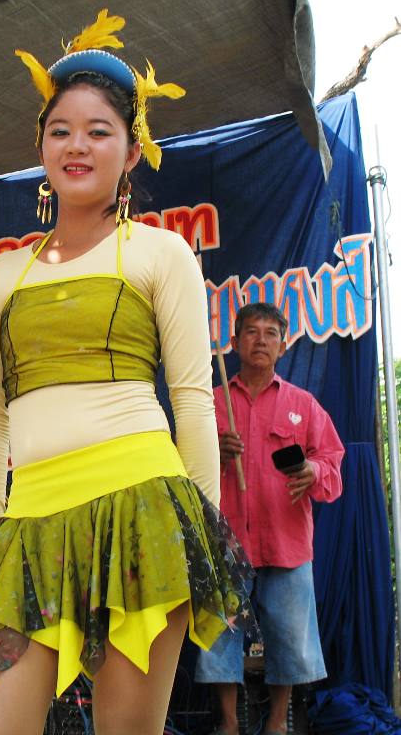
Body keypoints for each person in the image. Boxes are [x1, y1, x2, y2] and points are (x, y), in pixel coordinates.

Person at [0, 10, 253, 735]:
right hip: (27, 524)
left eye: (97, 130)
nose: (76, 145)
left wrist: (197, 539)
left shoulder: (160, 253)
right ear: (41, 147)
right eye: (60, 130)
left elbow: (190, 400)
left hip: (142, 513)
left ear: (131, 150)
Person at [196, 302, 343, 735]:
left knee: (289, 640)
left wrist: (311, 471)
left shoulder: (304, 405)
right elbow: (179, 464)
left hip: (286, 541)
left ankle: (278, 723)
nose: (261, 340)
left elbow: (332, 462)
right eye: (251, 332)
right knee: (218, 640)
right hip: (224, 542)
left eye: (270, 333)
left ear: (282, 345)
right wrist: (210, 450)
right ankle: (229, 724)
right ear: (236, 341)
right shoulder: (211, 402)